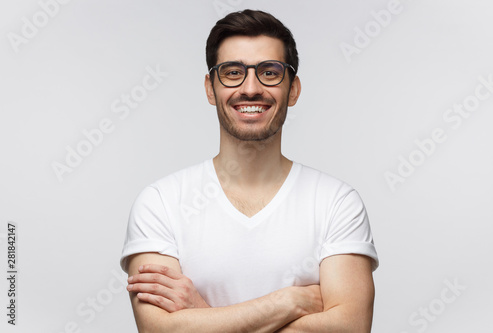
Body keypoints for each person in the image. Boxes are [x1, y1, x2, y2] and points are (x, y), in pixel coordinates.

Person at [120, 9, 379, 332]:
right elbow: (160, 330)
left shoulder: (336, 202)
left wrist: (201, 314)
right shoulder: (160, 203)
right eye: (232, 72)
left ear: (293, 89)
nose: (251, 88)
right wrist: (287, 302)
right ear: (210, 88)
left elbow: (350, 327)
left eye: (270, 72)